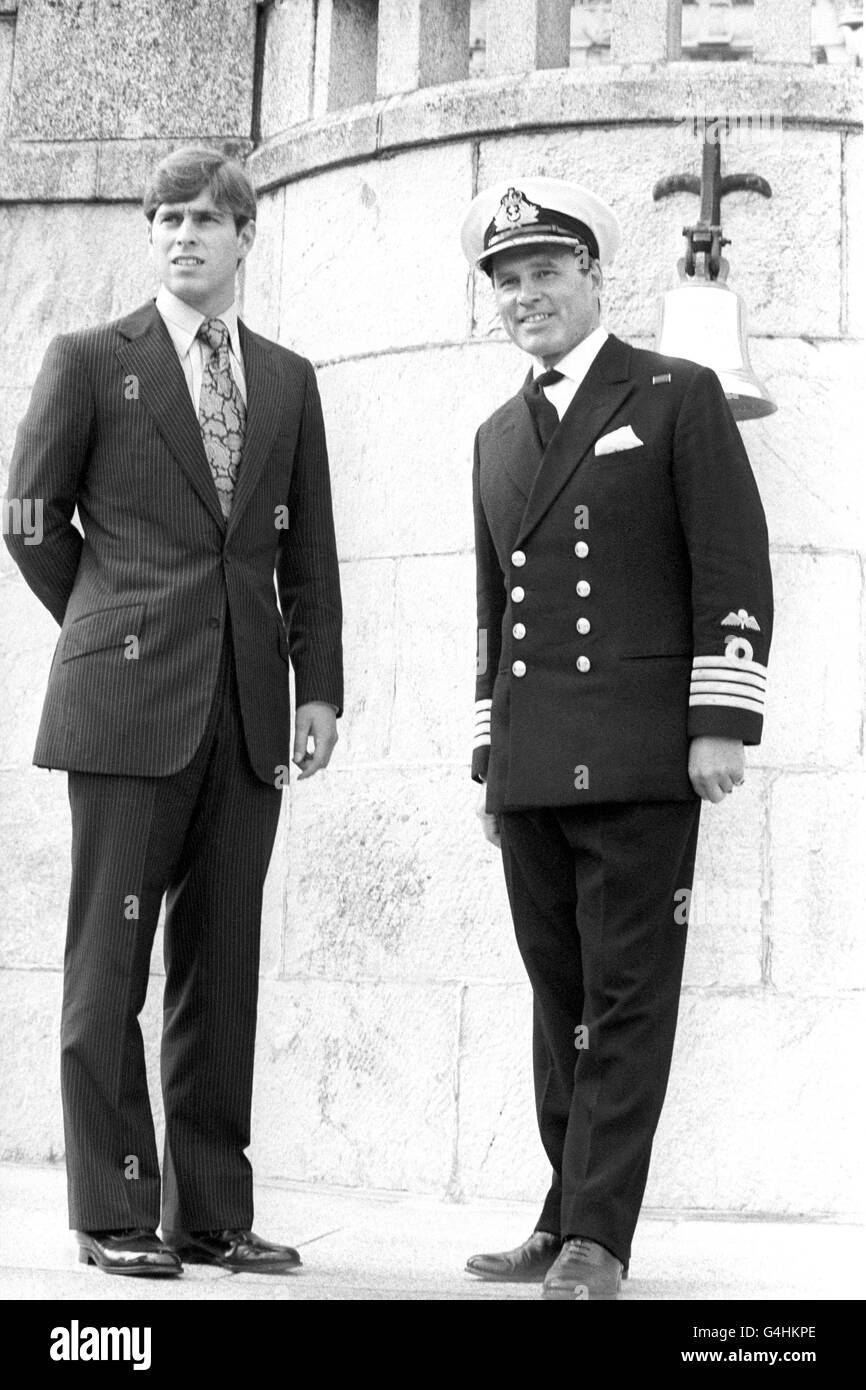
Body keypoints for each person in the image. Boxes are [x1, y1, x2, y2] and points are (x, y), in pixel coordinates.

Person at [3, 146, 343, 1277]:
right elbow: (30, 517)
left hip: (249, 708)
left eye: (207, 217)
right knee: (111, 960)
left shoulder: (288, 379)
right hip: (127, 701)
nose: (185, 233)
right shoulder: (92, 359)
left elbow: (311, 557)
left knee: (221, 963)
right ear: (149, 234)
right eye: (166, 217)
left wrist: (320, 687)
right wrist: (109, 621)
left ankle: (211, 1212)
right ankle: (114, 1208)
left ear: (246, 236)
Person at [459, 177, 772, 1299]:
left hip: (644, 750)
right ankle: (560, 1210)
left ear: (592, 276)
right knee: (560, 999)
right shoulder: (497, 433)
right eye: (505, 280)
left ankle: (600, 1235)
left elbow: (730, 565)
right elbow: (492, 614)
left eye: (544, 270)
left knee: (627, 991)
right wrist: (490, 760)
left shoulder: (672, 392)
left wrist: (719, 721)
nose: (524, 294)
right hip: (535, 759)